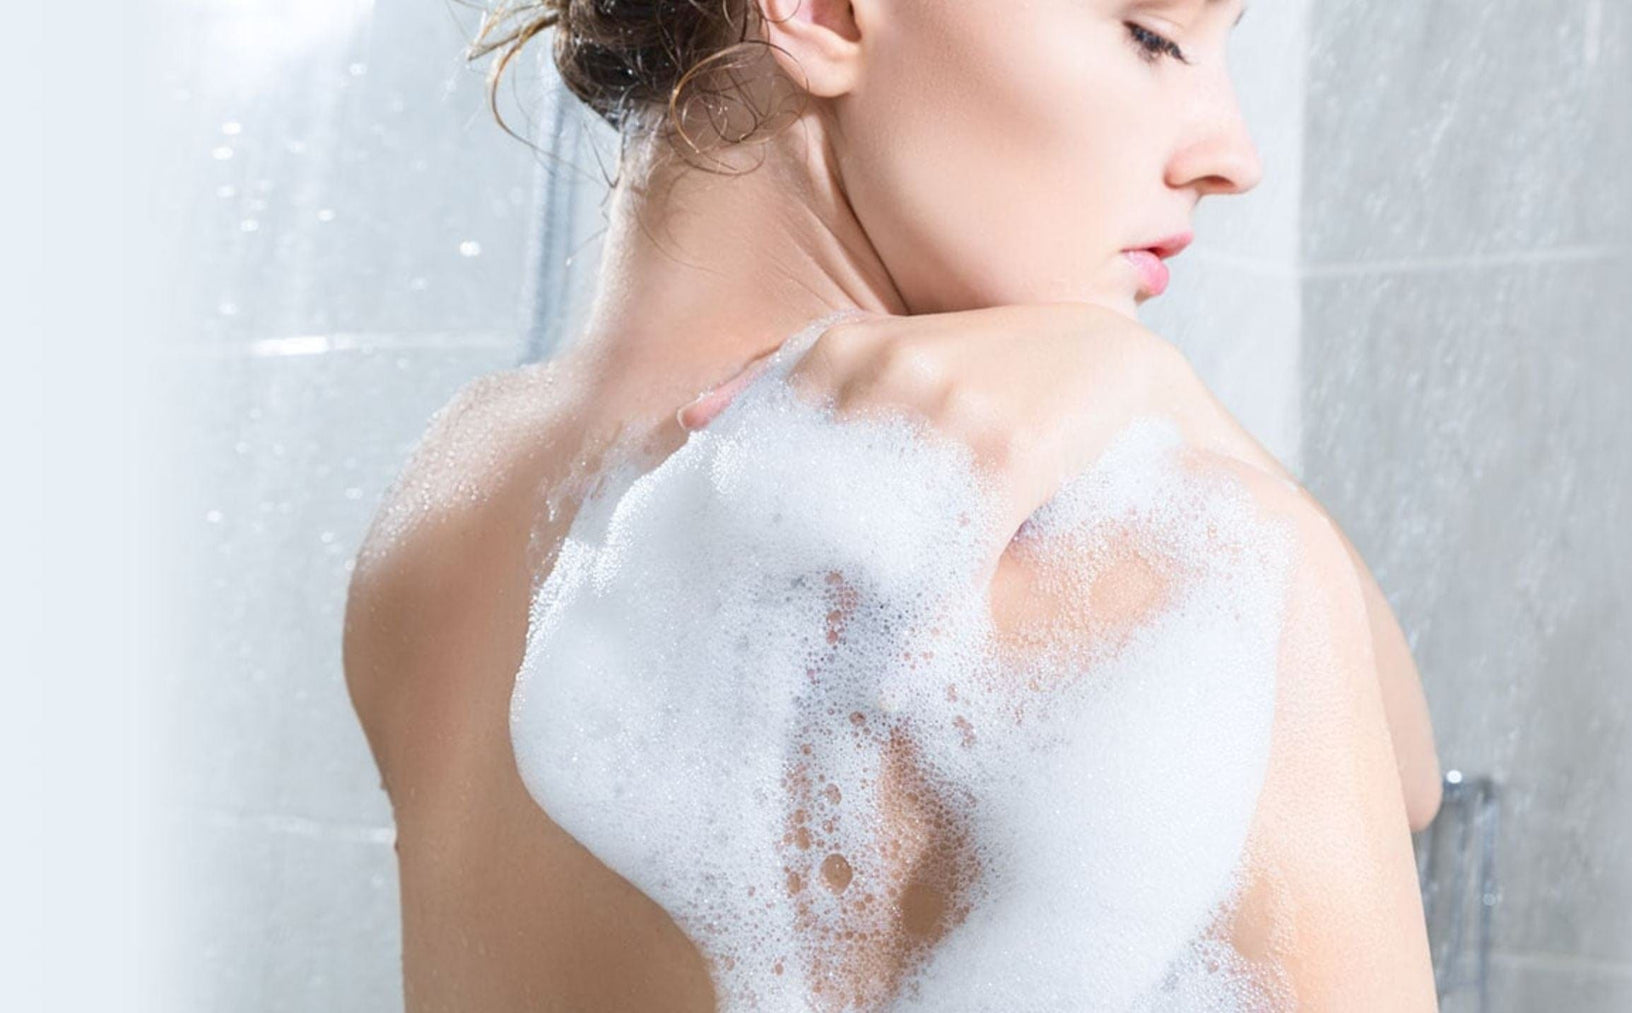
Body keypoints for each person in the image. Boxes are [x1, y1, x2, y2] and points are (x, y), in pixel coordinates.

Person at [343, 1, 1442, 1008]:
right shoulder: (1154, 576)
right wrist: (1175, 415)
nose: (1234, 155)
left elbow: (1412, 781)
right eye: (1150, 33)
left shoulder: (452, 493)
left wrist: (1157, 387)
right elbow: (1383, 765)